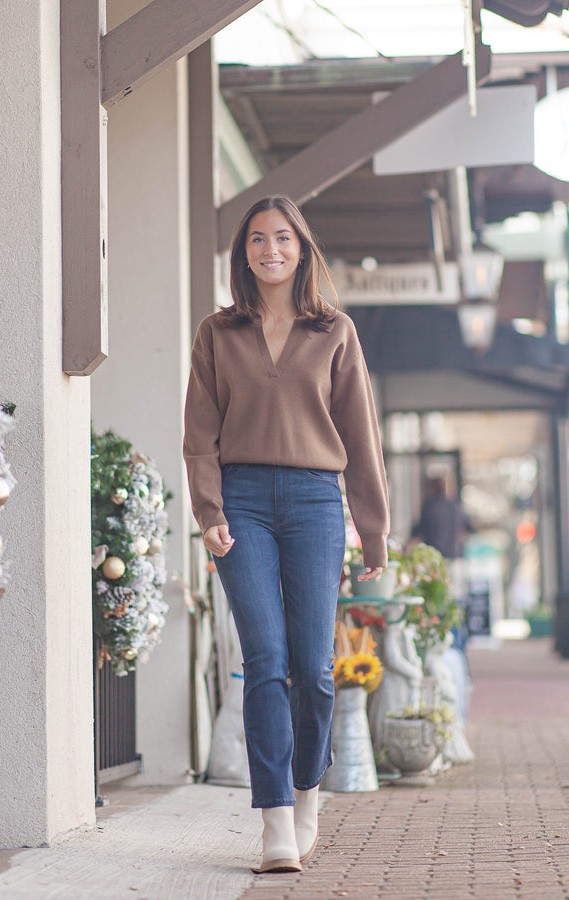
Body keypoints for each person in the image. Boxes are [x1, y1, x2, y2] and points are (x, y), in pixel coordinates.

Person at [183, 195, 390, 874]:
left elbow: (361, 438)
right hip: (241, 501)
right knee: (265, 657)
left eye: (282, 240)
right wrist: (209, 512)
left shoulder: (335, 331)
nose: (270, 251)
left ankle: (307, 796)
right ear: (243, 254)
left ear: (302, 249)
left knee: (313, 668)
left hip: (313, 503)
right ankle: (274, 820)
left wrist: (374, 532)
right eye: (256, 241)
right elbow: (199, 435)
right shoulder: (218, 332)